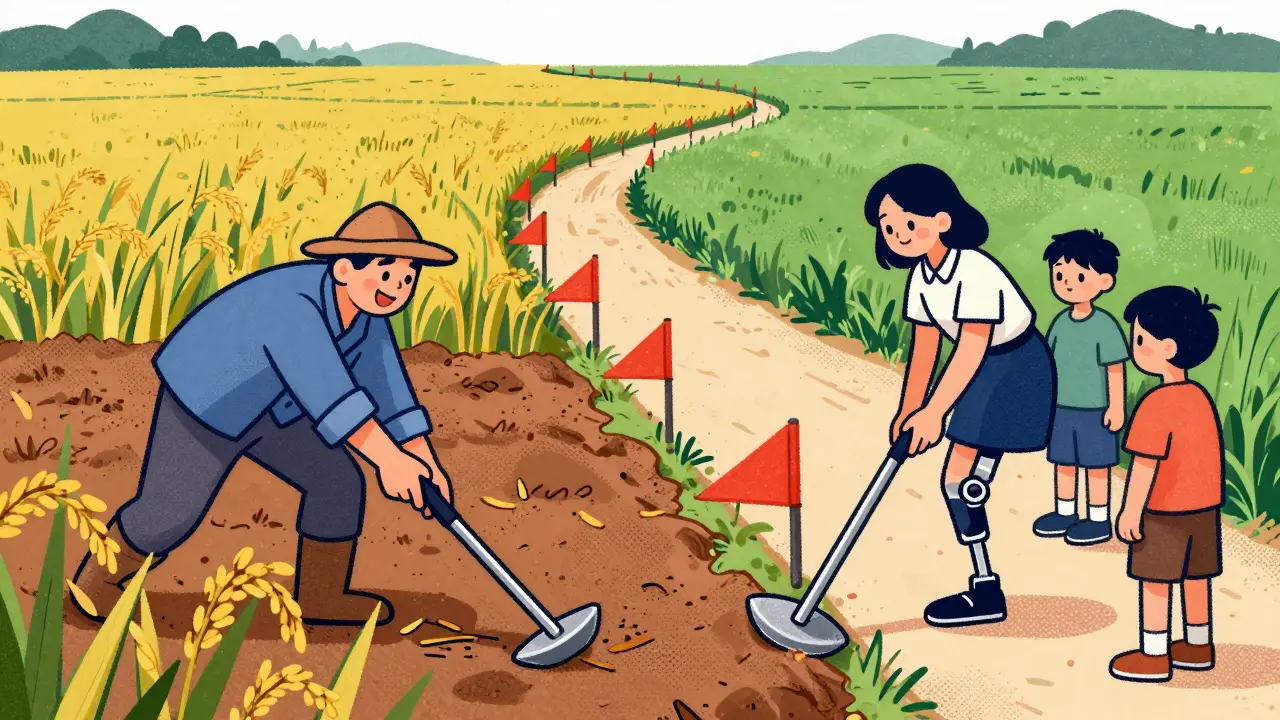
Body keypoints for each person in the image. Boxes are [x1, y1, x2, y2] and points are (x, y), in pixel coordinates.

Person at [71, 201, 459, 627]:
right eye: (386, 270)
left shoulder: (368, 320)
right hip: (209, 398)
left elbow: (390, 393)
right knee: (170, 513)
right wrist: (390, 461)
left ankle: (321, 596)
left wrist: (424, 460)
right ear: (344, 268)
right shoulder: (293, 307)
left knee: (338, 482)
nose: (398, 285)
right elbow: (332, 394)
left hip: (276, 406)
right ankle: (97, 584)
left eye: (408, 276)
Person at [864, 163, 1055, 627]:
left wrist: (934, 413)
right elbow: (925, 349)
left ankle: (985, 589)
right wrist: (909, 410)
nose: (898, 234)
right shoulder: (922, 279)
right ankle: (985, 582)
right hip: (987, 366)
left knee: (960, 480)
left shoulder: (975, 270)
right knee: (957, 479)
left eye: (909, 223)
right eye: (889, 227)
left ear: (943, 219)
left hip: (1017, 367)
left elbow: (972, 346)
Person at [1109, 286, 1224, 683]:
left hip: (1164, 511)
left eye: (1140, 339)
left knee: (1156, 581)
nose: (1134, 345)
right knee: (1196, 577)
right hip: (1204, 509)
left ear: (1169, 348)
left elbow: (1144, 465)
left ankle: (1154, 654)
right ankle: (1197, 644)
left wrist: (1129, 510)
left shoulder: (1157, 403)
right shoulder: (1199, 397)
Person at [1034, 230, 1129, 546]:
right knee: (1064, 461)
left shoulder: (1105, 325)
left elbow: (1115, 369)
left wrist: (1116, 407)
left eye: (1078, 275)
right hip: (1062, 409)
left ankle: (1099, 518)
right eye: (1059, 274)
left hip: (1095, 411)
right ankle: (1065, 511)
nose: (1066, 281)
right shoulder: (1060, 321)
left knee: (1096, 465)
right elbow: (1050, 365)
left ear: (1104, 282)